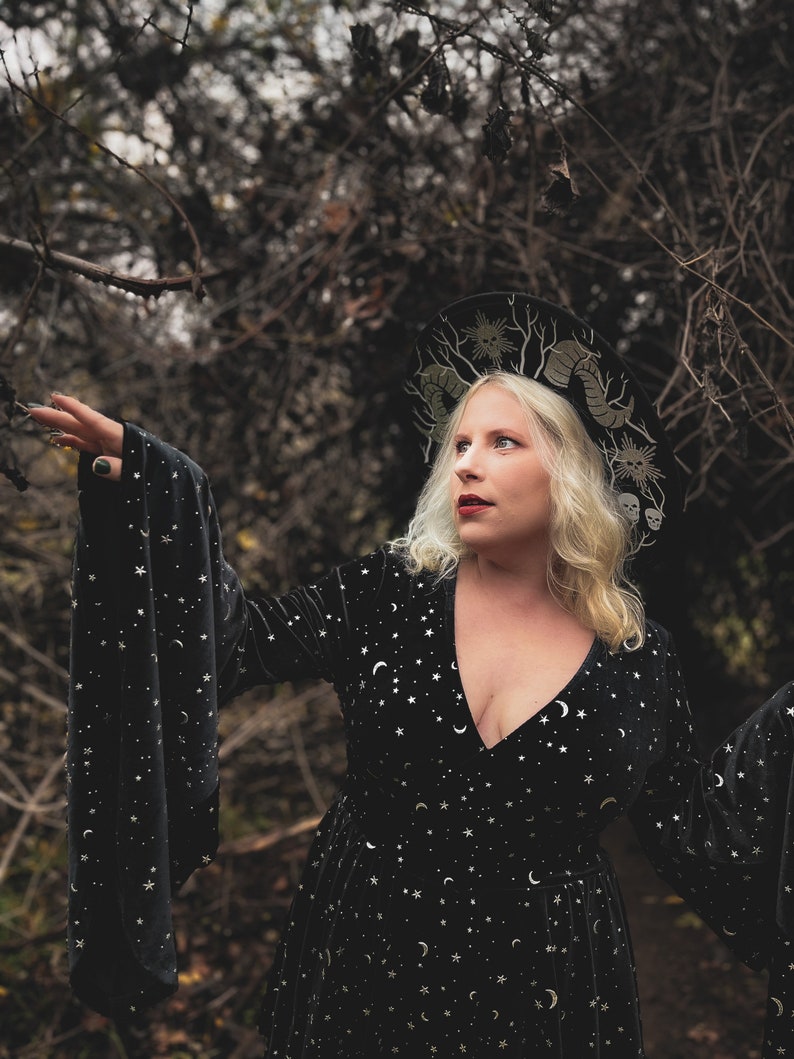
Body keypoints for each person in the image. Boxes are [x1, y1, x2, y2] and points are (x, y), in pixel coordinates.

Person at [28, 293, 794, 1058]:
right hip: (365, 960)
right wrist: (159, 493)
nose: (466, 461)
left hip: (548, 992)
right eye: (459, 442)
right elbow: (236, 645)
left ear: (573, 471)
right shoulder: (391, 591)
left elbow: (702, 833)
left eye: (502, 441)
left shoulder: (639, 657)